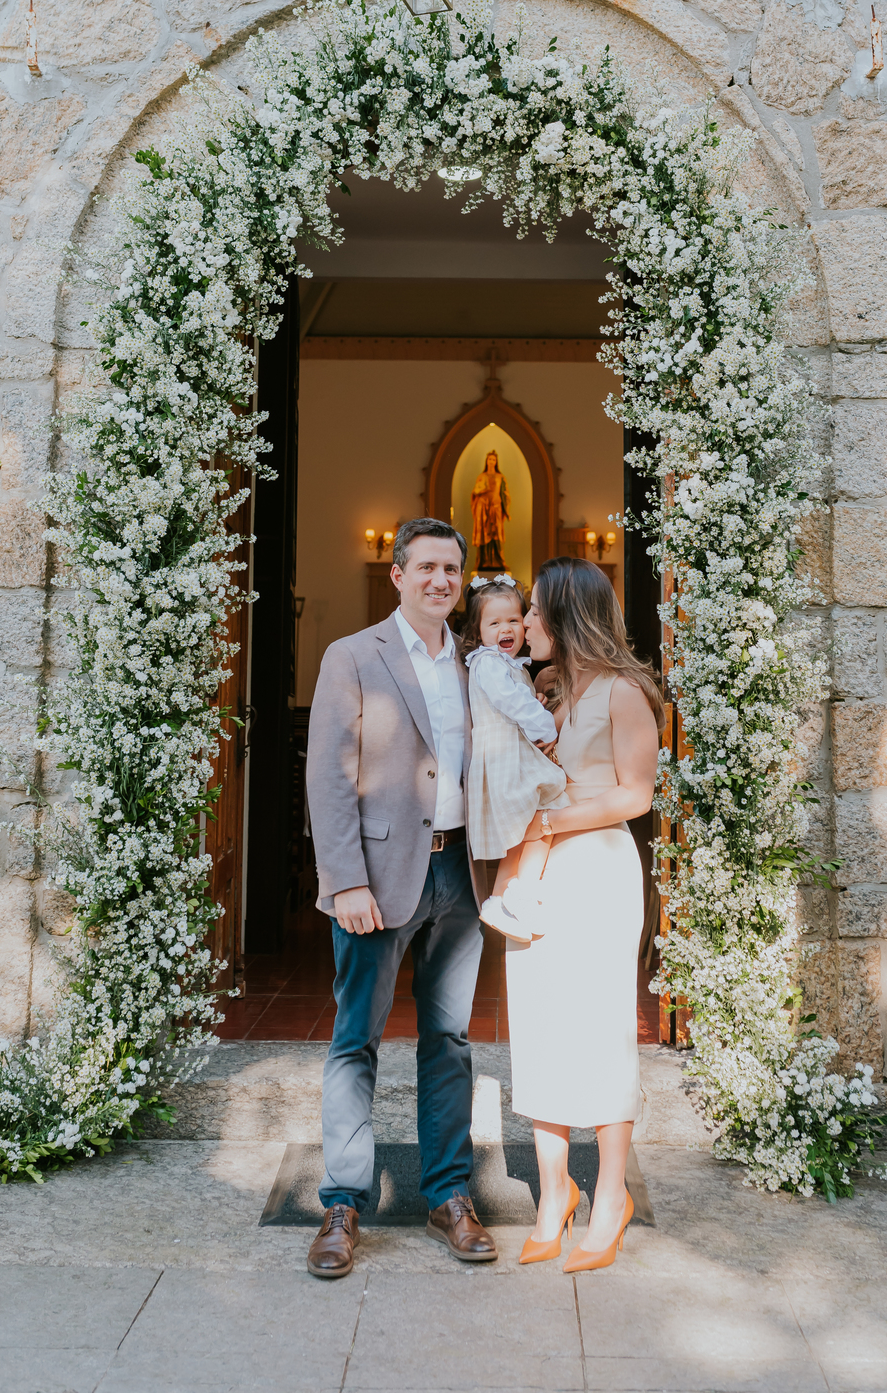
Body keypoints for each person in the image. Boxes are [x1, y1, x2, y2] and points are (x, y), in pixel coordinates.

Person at [302, 517, 498, 1279]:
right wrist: (344, 879)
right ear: (399, 575)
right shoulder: (353, 655)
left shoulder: (481, 664)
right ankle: (342, 1204)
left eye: (452, 570)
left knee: (448, 1042)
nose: (441, 581)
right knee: (357, 1038)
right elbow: (328, 775)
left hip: (460, 876)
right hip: (378, 882)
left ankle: (449, 1196)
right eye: (427, 569)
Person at [507, 555, 663, 1274]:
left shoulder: (624, 693)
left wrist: (550, 825)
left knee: (599, 1027)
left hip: (597, 870)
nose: (525, 622)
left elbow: (636, 796)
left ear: (568, 615)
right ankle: (552, 1195)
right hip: (544, 873)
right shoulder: (548, 692)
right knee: (537, 1023)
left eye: (535, 611)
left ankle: (609, 1199)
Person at [458, 573, 569, 943]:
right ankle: (517, 894)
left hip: (510, 755)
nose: (506, 628)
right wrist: (548, 728)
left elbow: (518, 703)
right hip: (504, 759)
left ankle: (511, 895)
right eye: (494, 622)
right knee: (546, 807)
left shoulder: (510, 666)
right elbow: (515, 705)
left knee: (534, 821)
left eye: (513, 620)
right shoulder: (488, 663)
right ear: (478, 630)